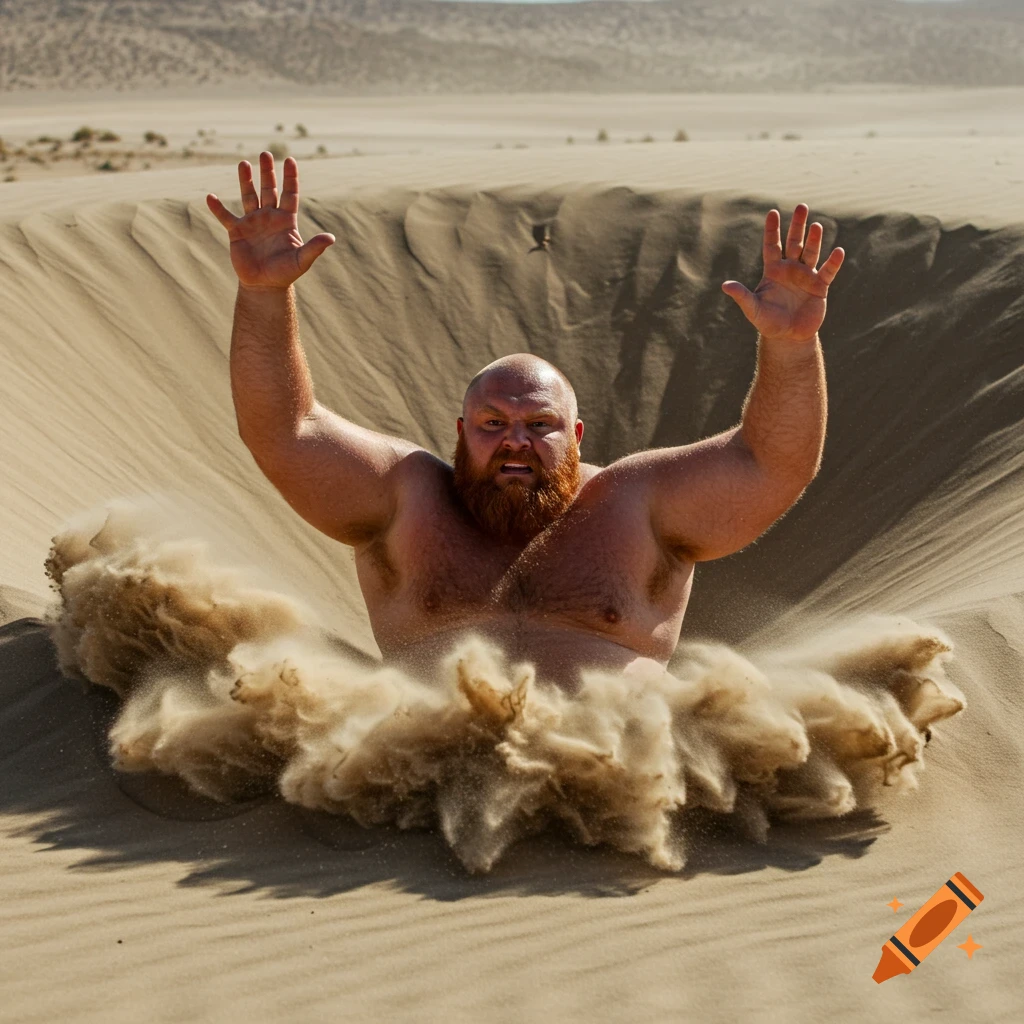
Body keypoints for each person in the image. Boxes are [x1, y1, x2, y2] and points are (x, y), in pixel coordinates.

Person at [206, 153, 845, 690]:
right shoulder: (407, 497)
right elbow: (285, 430)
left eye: (540, 424)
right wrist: (264, 295)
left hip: (619, 784)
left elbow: (771, 464)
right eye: (491, 422)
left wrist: (790, 346)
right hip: (418, 787)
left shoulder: (636, 504)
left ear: (577, 438)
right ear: (459, 432)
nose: (515, 439)